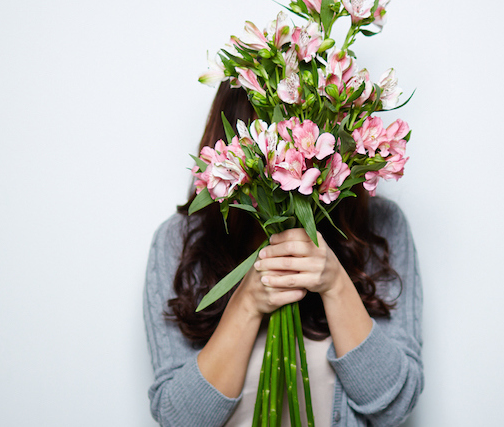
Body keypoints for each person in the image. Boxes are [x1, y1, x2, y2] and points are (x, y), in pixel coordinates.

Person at [143, 85, 423, 427]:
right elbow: (179, 420)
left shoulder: (380, 228)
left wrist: (335, 285)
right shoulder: (178, 242)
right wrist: (246, 304)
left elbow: (395, 408)